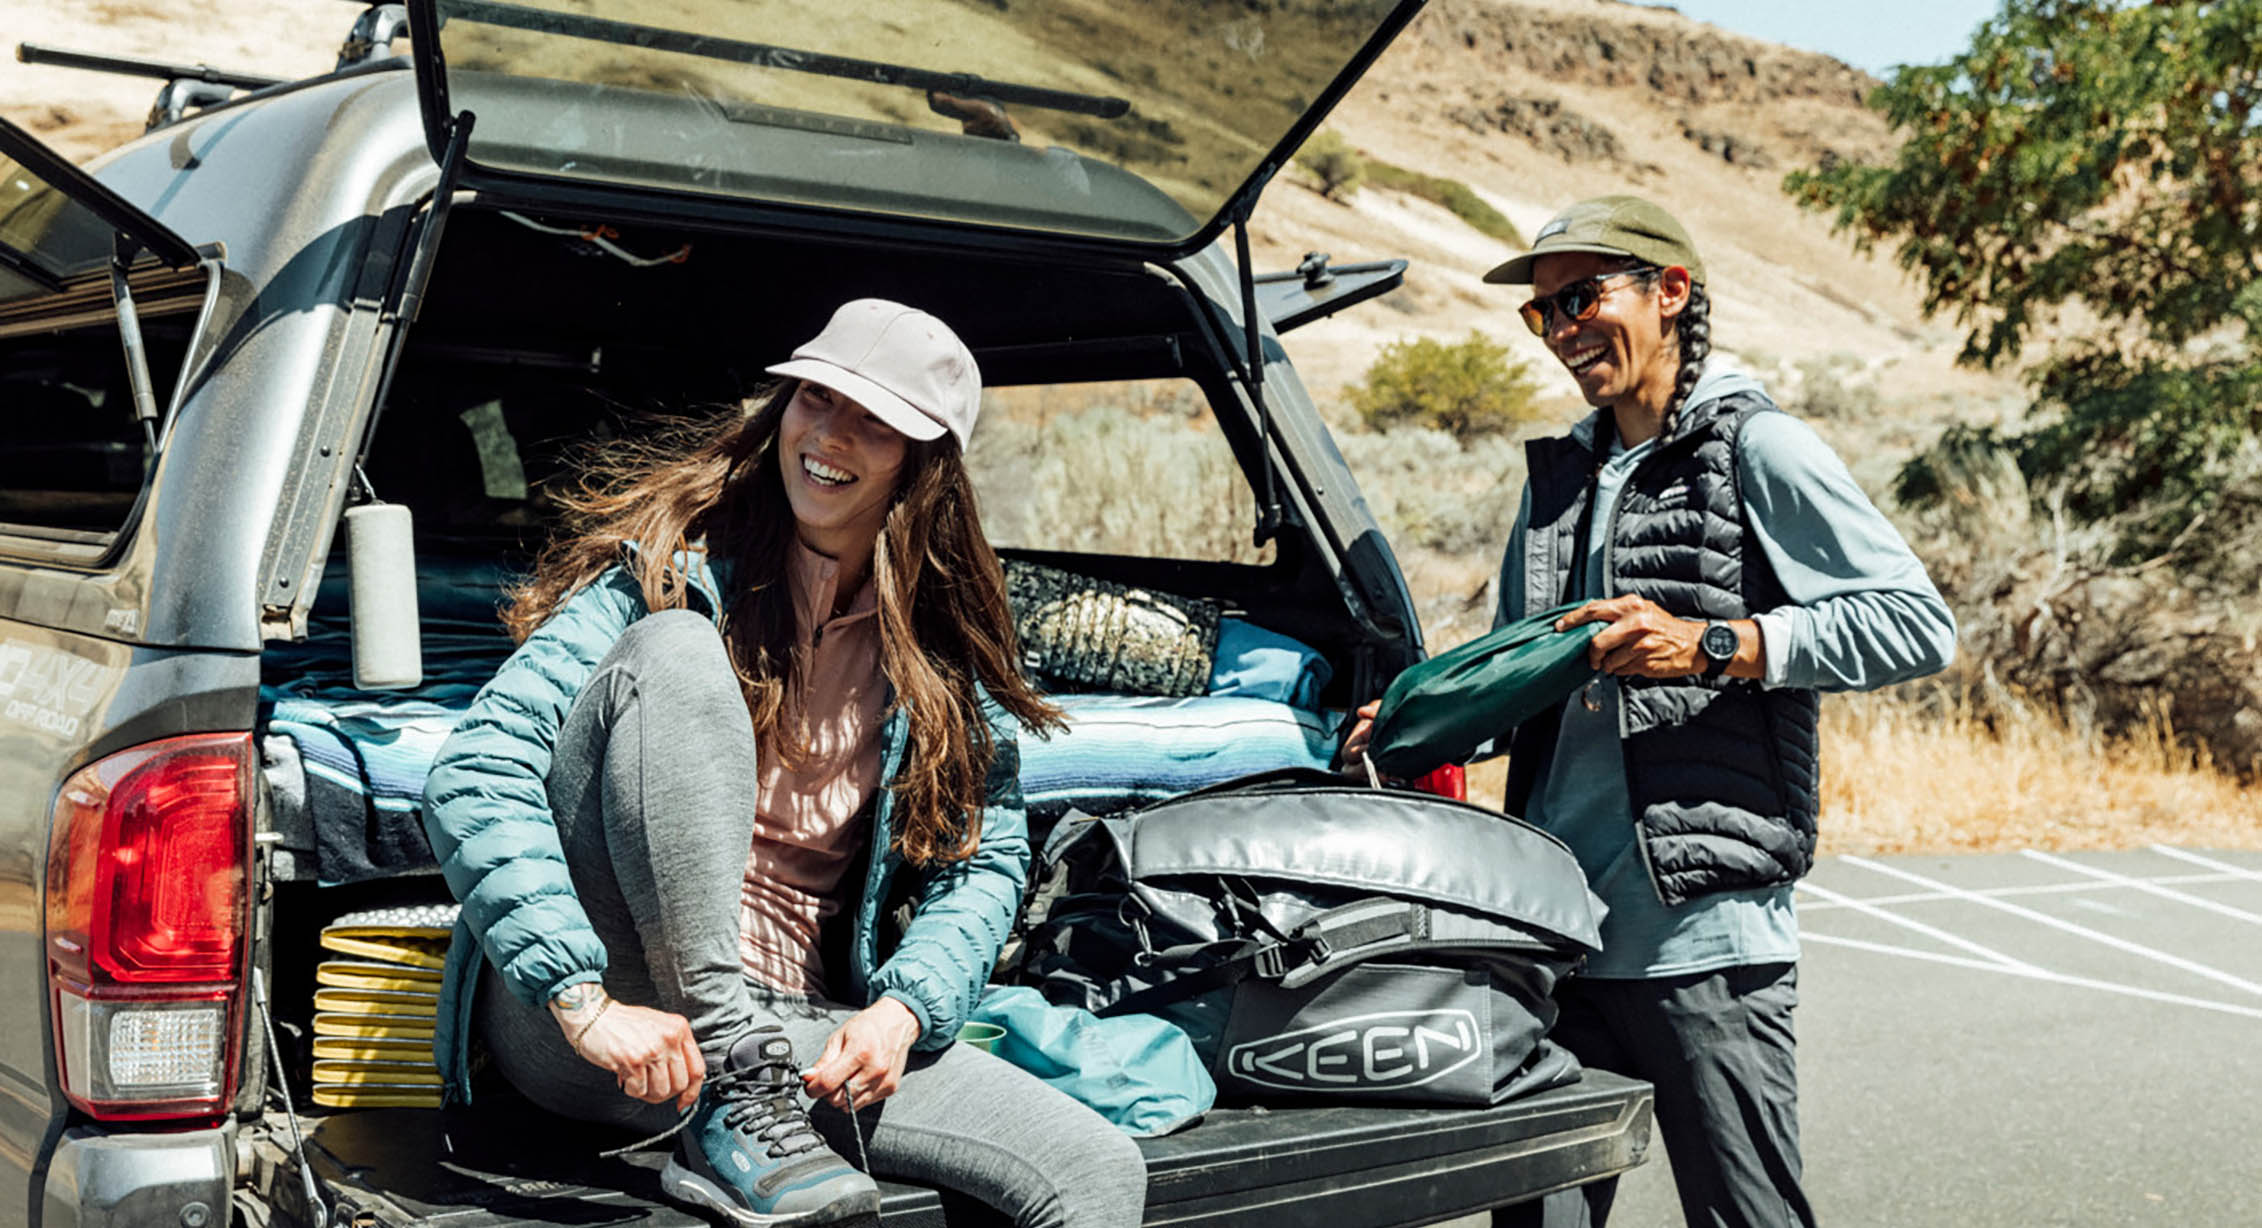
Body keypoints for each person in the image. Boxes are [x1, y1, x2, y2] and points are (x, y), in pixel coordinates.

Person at [419, 298, 1148, 1228]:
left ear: (924, 466)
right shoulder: (662, 578)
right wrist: (580, 999)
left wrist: (907, 1010)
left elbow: (988, 856)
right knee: (676, 652)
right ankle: (726, 1078)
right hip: (607, 1017)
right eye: (815, 397)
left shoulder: (935, 656)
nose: (830, 433)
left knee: (1096, 1169)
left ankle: (743, 1089)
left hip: (796, 1037)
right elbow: (478, 766)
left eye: (874, 420)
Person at [1348, 196, 1955, 1227]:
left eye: (1581, 298)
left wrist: (1721, 643)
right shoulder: (1559, 480)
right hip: (1553, 936)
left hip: (1702, 940)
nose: (1563, 329)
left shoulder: (1757, 448)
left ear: (1672, 292)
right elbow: (1521, 680)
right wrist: (1420, 721)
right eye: (1544, 314)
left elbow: (1915, 622)